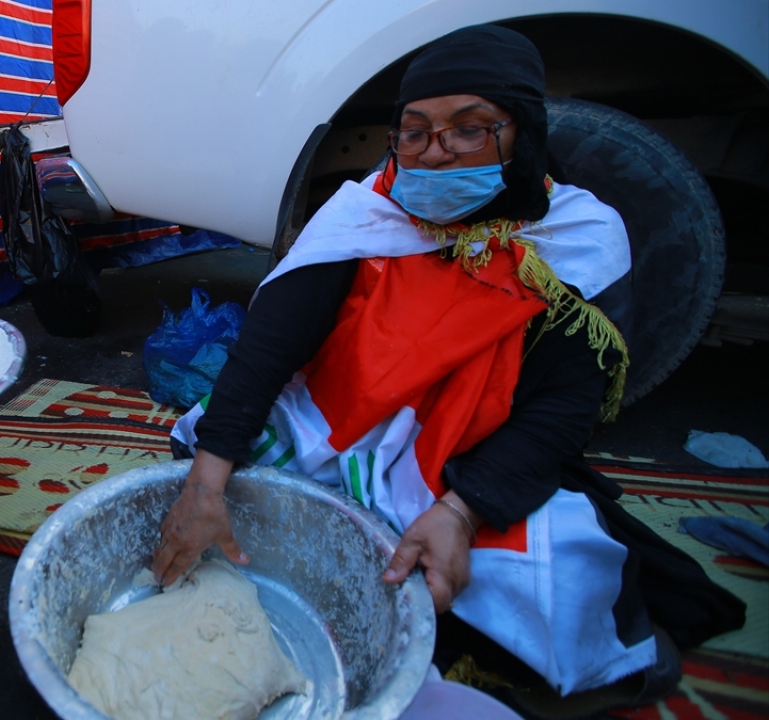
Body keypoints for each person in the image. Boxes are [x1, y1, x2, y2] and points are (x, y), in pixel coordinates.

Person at [151, 25, 745, 717]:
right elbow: (266, 350)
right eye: (415, 131)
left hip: (470, 453)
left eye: (470, 128)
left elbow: (561, 409)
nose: (435, 152)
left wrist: (461, 512)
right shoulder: (363, 215)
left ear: (523, 133)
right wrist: (207, 483)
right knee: (211, 483)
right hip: (329, 426)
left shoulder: (577, 241)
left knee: (553, 580)